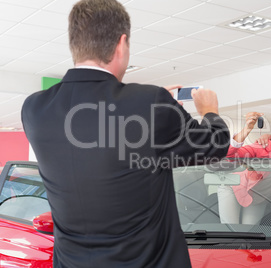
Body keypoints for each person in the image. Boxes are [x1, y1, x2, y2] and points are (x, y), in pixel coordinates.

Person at [21, 0, 230, 267]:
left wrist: (148, 108)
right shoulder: (151, 103)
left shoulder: (35, 109)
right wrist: (209, 111)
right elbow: (215, 145)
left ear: (75, 44)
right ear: (121, 44)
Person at [218, 113, 271, 224]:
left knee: (250, 232)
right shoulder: (264, 146)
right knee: (230, 229)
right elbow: (229, 155)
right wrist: (247, 129)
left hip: (259, 198)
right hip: (234, 188)